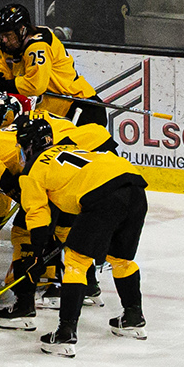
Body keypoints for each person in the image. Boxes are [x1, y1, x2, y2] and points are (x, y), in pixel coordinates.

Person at [15, 114, 149, 353]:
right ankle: (133, 319)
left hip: (102, 195)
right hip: (135, 186)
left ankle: (65, 334)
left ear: (29, 145)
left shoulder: (33, 170)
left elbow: (37, 215)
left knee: (77, 262)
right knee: (121, 259)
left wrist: (36, 253)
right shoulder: (70, 147)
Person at [0, 2, 102, 121]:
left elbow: (35, 86)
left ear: (22, 30)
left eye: (8, 35)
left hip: (81, 106)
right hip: (56, 111)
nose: (4, 40)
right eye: (1, 35)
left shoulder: (38, 46)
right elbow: (4, 75)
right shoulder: (11, 46)